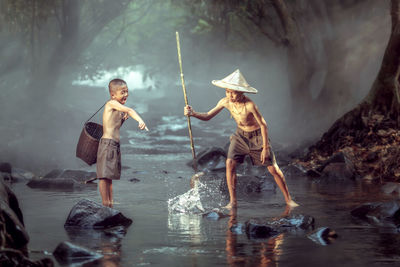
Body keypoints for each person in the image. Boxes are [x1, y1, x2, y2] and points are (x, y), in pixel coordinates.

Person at [184, 69, 298, 209]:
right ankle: (233, 202)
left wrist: (265, 148)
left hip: (257, 137)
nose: (230, 95)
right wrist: (193, 113)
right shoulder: (225, 102)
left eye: (233, 92)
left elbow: (263, 125)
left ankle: (288, 200)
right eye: (227, 91)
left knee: (273, 169)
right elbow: (208, 116)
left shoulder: (250, 105)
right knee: (229, 163)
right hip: (240, 136)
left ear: (241, 92)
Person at [97, 78, 147, 207]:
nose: (126, 94)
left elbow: (115, 126)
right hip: (107, 144)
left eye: (127, 91)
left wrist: (123, 119)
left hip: (114, 145)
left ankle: (110, 203)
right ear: (113, 95)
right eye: (122, 92)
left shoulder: (118, 109)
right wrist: (140, 121)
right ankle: (105, 202)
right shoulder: (111, 103)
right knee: (103, 176)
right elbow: (130, 110)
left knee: (109, 177)